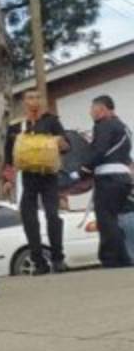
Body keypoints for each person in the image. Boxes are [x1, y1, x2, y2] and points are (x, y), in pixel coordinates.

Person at [4, 89, 69, 274]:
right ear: (24, 102)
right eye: (30, 98)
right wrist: (8, 180)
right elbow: (9, 155)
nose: (34, 101)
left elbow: (66, 146)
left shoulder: (51, 121)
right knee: (29, 218)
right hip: (27, 177)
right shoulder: (16, 125)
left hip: (49, 176)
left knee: (52, 216)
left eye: (38, 97)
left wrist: (60, 143)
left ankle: (58, 258)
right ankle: (39, 261)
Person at [75, 95, 132, 267]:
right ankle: (124, 256)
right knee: (116, 218)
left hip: (108, 178)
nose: (90, 113)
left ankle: (112, 258)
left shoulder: (104, 125)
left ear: (102, 109)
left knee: (106, 219)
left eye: (93, 109)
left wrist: (84, 168)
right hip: (123, 178)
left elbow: (99, 150)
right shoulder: (123, 127)